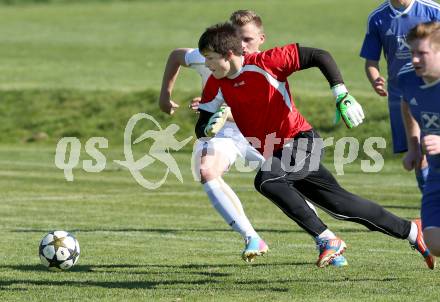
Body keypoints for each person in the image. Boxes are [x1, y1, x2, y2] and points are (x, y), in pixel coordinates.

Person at [195, 22, 436, 269]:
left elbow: (319, 55)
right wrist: (208, 128)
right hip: (279, 154)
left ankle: (327, 239)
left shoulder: (266, 62)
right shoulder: (216, 83)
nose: (206, 64)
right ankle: (411, 230)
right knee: (342, 206)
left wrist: (341, 94)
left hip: (302, 141)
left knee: (266, 180)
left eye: (210, 58)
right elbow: (201, 125)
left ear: (229, 55)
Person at [158, 10, 271, 263]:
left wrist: (219, 110)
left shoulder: (268, 66)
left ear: (261, 39)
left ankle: (325, 238)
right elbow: (177, 55)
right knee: (207, 170)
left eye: (248, 40)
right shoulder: (211, 55)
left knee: (293, 183)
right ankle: (251, 237)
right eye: (235, 38)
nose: (241, 46)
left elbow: (260, 112)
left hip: (260, 133)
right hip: (222, 136)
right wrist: (165, 94)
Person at [360, 0, 440, 191]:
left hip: (434, 88)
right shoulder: (377, 18)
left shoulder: (433, 10)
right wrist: (375, 79)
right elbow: (371, 61)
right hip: (400, 92)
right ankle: (429, 196)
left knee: (432, 147)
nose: (415, 58)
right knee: (419, 152)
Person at [398, 21, 440, 256]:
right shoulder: (409, 78)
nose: (414, 59)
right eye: (412, 52)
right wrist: (414, 147)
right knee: (434, 243)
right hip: (436, 173)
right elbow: (407, 104)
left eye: (422, 53)